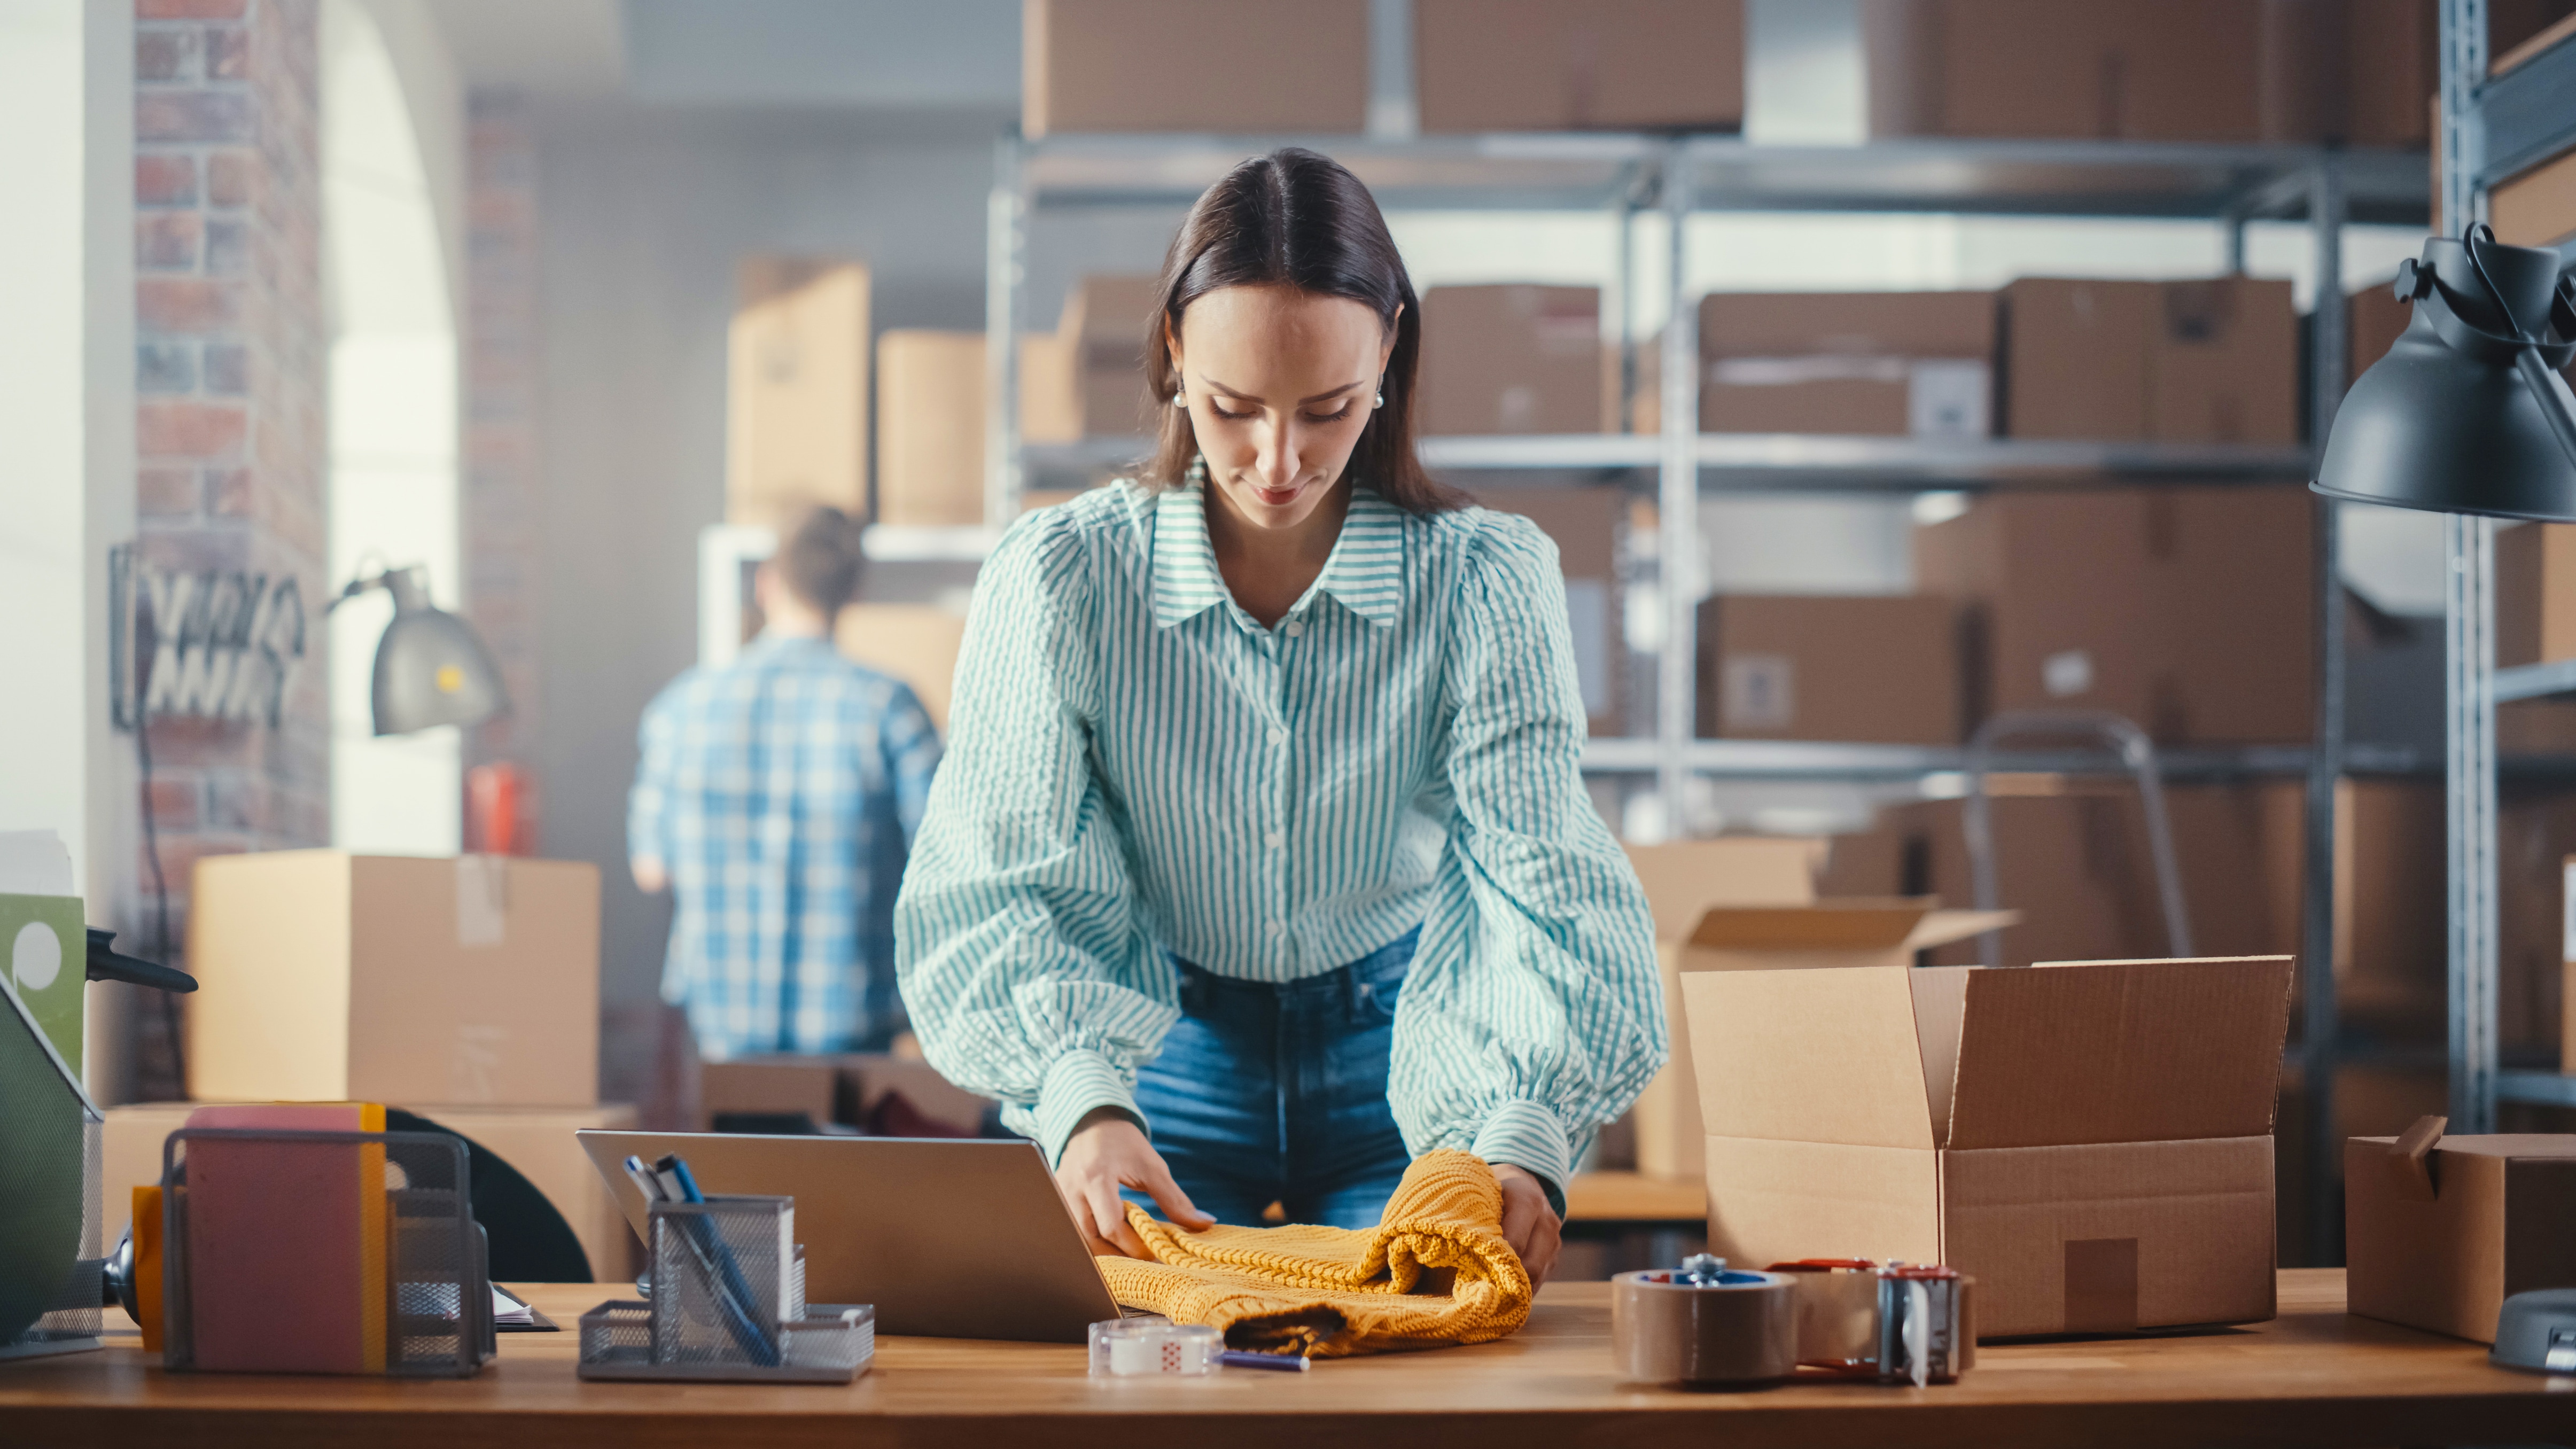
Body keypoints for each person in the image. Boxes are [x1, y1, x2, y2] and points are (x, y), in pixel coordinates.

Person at [896, 148, 1663, 1286]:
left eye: (1329, 409)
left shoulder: (1485, 580)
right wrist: (1079, 1104)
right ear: (1171, 351)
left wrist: (1525, 1135)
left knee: (1413, 1377)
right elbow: (997, 876)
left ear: (1390, 352)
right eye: (1231, 407)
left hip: (1409, 1055)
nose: (1277, 461)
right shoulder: (1058, 578)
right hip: (1157, 1059)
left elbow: (1537, 868)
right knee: (1150, 1383)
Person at [630, 507, 940, 1061]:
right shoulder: (888, 707)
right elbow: (943, 858)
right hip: (853, 1027)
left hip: (720, 1030)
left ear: (766, 584)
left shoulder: (681, 709)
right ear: (856, 590)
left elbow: (652, 870)